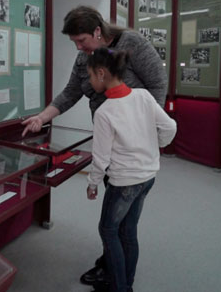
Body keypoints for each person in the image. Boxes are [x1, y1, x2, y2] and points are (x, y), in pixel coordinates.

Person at [20, 6, 167, 290]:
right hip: (111, 148)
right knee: (120, 221)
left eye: (82, 40)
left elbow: (158, 87)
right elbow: (69, 94)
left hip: (131, 150)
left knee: (118, 225)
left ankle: (119, 281)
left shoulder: (133, 44)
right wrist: (41, 117)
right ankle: (113, 267)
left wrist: (150, 136)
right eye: (74, 42)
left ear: (98, 32)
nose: (79, 47)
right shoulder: (84, 59)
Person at [85, 48, 176, 292]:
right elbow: (169, 126)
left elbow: (101, 158)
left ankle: (119, 288)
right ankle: (127, 284)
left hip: (124, 183)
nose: (89, 81)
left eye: (90, 75)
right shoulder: (144, 96)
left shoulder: (105, 112)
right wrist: (157, 146)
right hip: (147, 178)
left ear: (102, 73)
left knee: (108, 230)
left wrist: (93, 183)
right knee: (128, 231)